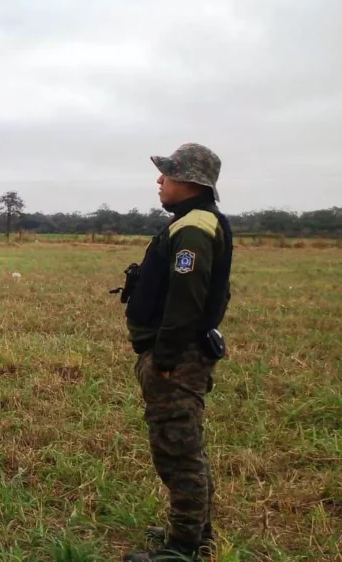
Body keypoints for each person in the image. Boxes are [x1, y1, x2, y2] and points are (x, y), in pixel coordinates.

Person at [119, 143, 233, 561]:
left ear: (188, 181)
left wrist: (165, 358)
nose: (159, 181)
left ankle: (183, 548)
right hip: (179, 355)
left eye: (166, 174)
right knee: (185, 447)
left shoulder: (193, 228)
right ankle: (193, 531)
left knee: (177, 451)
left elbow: (187, 299)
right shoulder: (192, 222)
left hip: (177, 359)